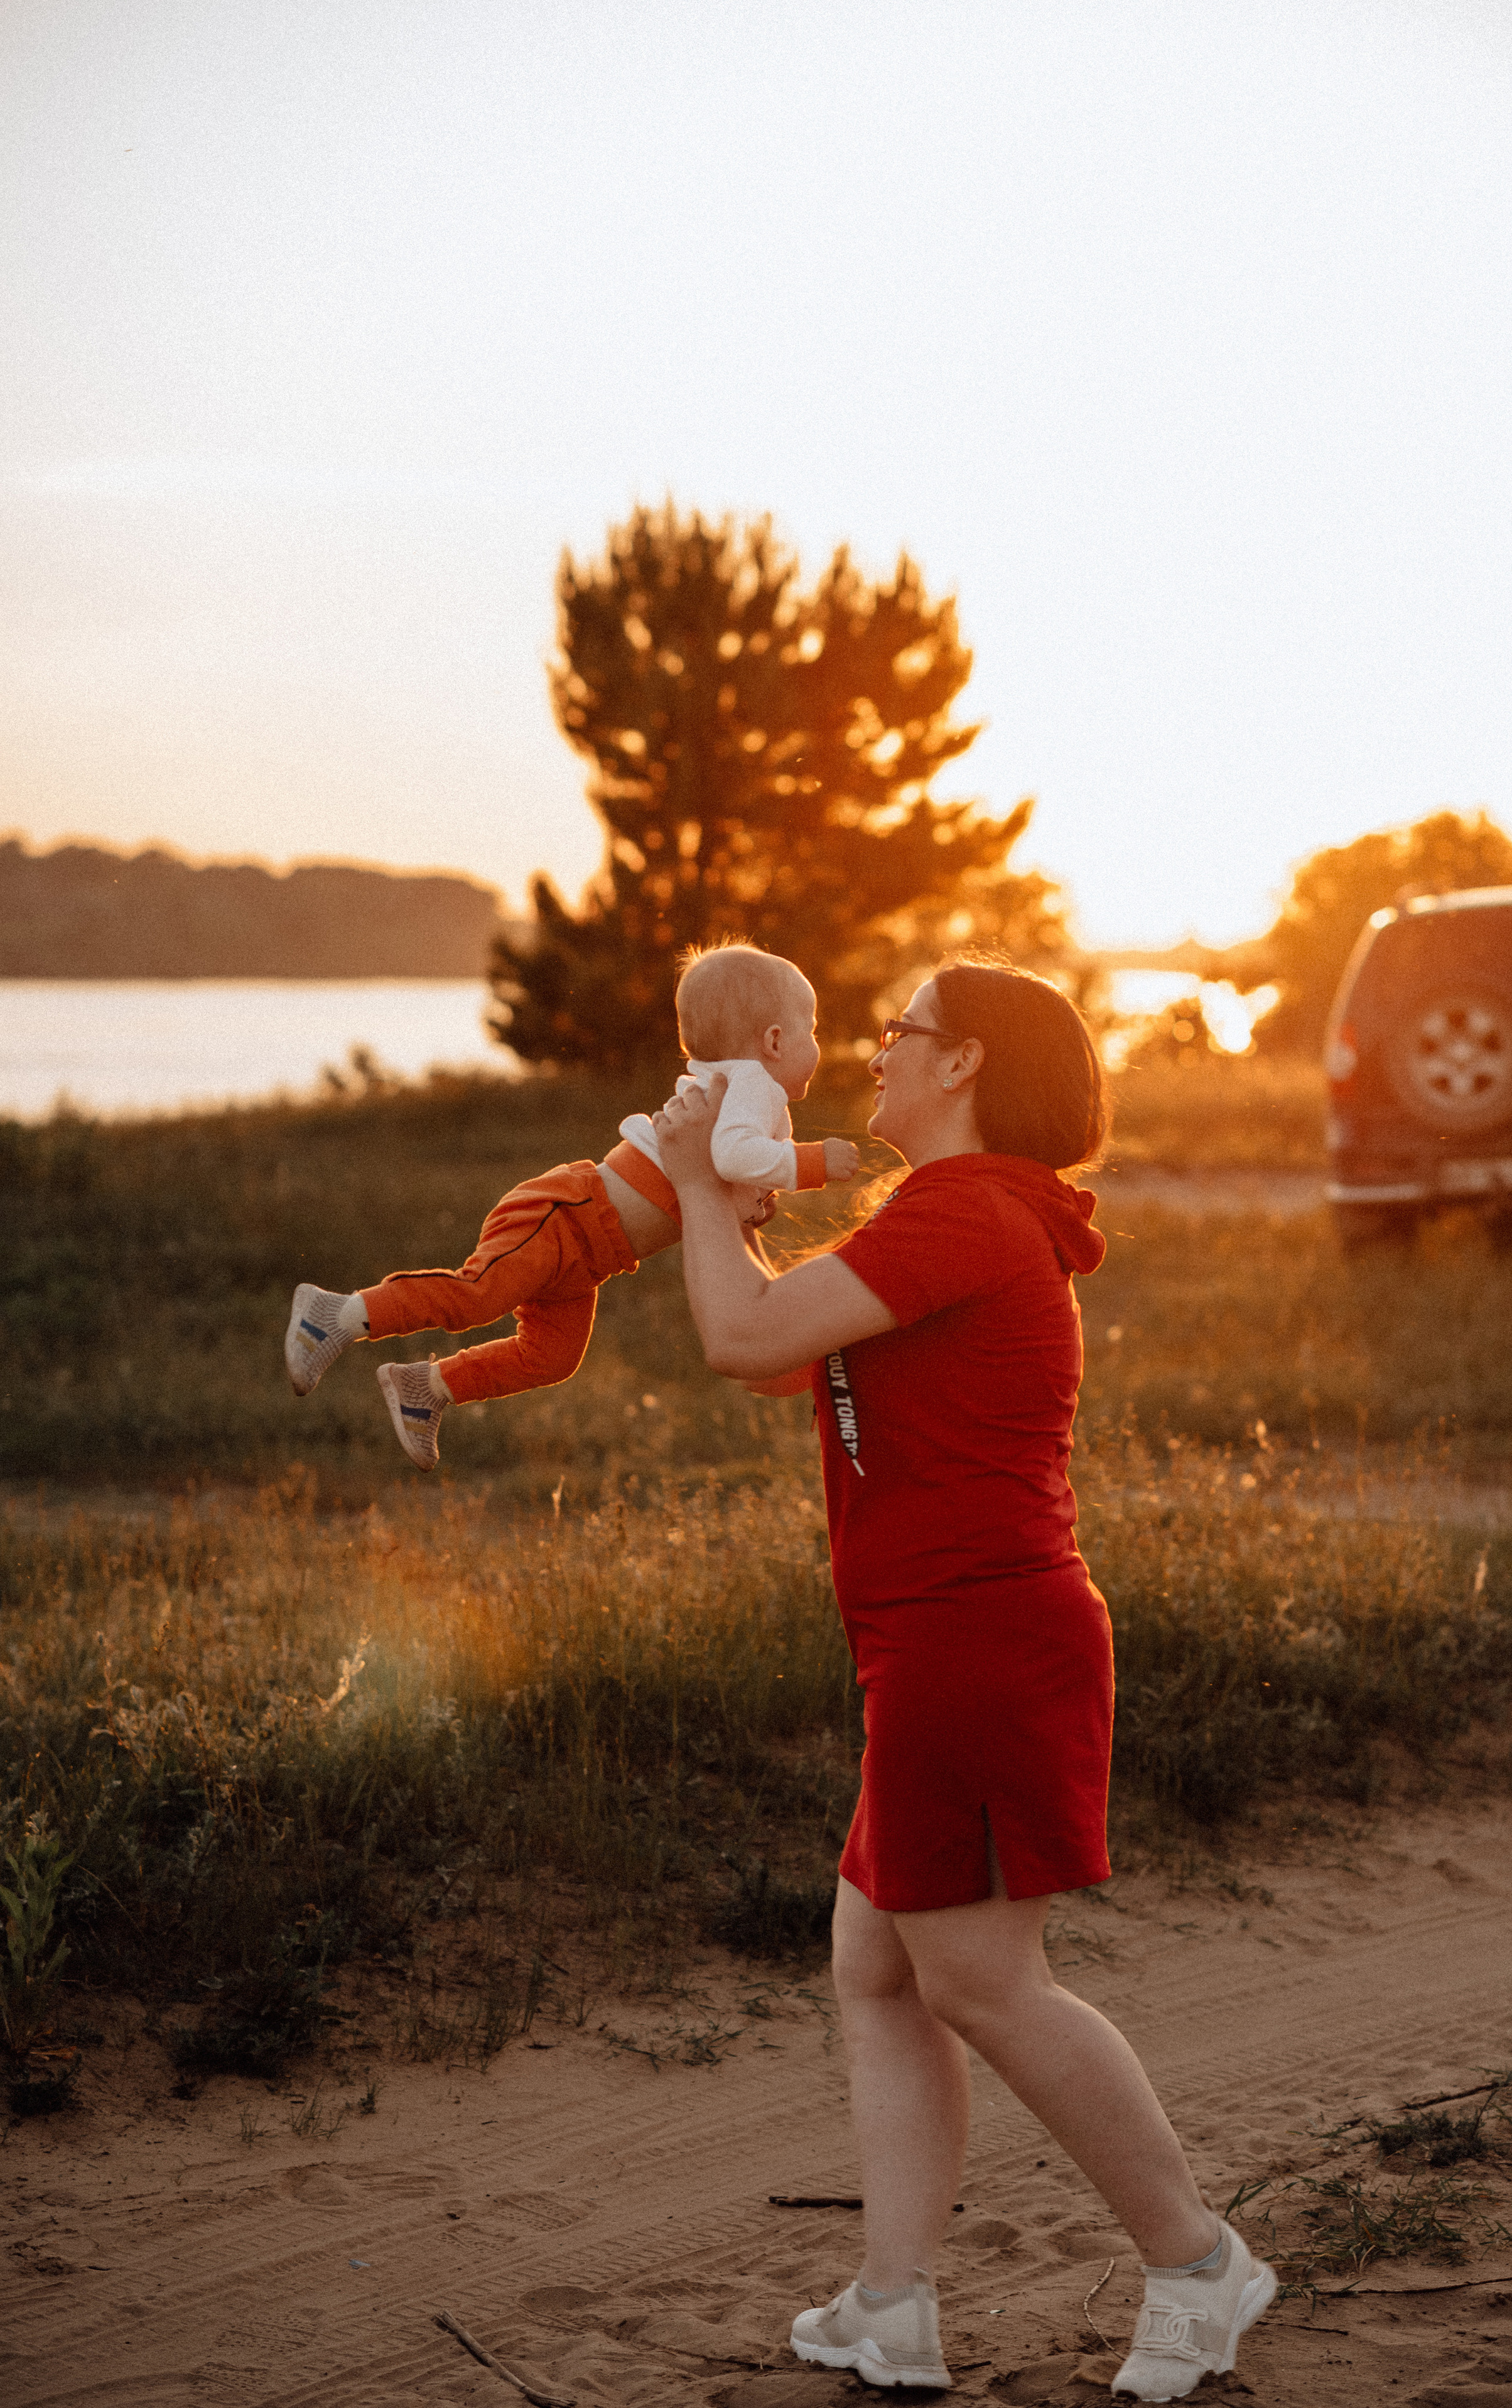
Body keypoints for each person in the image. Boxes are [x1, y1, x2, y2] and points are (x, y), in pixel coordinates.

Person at [655, 960, 1275, 2403]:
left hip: (975, 1645)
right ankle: (891, 2305)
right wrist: (715, 1204)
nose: (872, 1052)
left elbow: (739, 1335)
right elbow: (769, 1346)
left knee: (982, 1980)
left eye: (899, 1034)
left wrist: (694, 1189)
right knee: (878, 1969)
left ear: (966, 1062)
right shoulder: (950, 1217)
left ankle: (1197, 2265)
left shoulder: (969, 1210)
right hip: (932, 1644)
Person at [281, 944, 858, 1468]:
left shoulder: (747, 1095)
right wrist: (815, 1164)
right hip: (567, 1214)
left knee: (552, 1357)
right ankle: (335, 1314)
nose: (819, 1046)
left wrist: (749, 1207)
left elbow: (716, 1178)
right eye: (812, 1030)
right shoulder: (752, 1085)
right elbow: (733, 1156)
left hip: (590, 1255)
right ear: (775, 1040)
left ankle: (425, 1388)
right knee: (481, 1294)